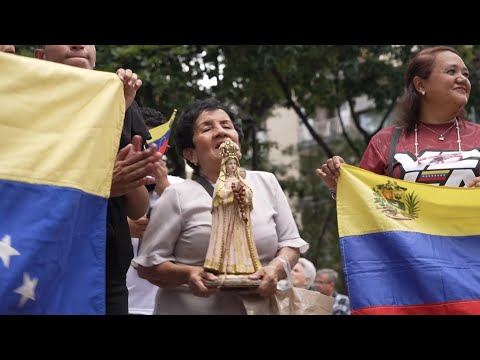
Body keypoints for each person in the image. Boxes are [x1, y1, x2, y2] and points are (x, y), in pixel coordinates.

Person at [131, 98, 309, 314]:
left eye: (226, 126)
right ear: (191, 153)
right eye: (207, 128)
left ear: (238, 142)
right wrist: (189, 274)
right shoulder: (177, 194)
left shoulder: (266, 182)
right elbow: (148, 267)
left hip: (258, 307)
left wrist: (275, 269)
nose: (220, 132)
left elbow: (290, 243)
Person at [34, 45, 163, 314]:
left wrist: (114, 113)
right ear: (40, 55)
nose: (79, 45)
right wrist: (99, 184)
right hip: (37, 266)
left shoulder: (118, 101)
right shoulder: (22, 104)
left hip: (106, 270)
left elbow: (137, 207)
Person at [316, 45, 480, 192]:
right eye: (451, 71)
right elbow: (363, 200)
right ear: (420, 85)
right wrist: (341, 187)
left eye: (465, 74)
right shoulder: (384, 142)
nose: (462, 79)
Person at [126, 106, 183, 315]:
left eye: (155, 146)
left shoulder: (181, 188)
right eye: (142, 146)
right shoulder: (113, 186)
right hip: (120, 302)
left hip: (167, 305)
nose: (148, 154)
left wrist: (166, 190)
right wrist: (124, 227)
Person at [203, 139, 261, 276]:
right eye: (230, 163)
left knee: (240, 243)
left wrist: (243, 194)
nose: (233, 166)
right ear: (225, 165)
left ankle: (243, 267)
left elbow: (249, 194)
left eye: (235, 163)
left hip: (239, 220)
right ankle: (224, 267)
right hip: (227, 219)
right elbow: (219, 196)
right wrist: (232, 193)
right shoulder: (221, 181)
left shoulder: (241, 180)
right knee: (227, 243)